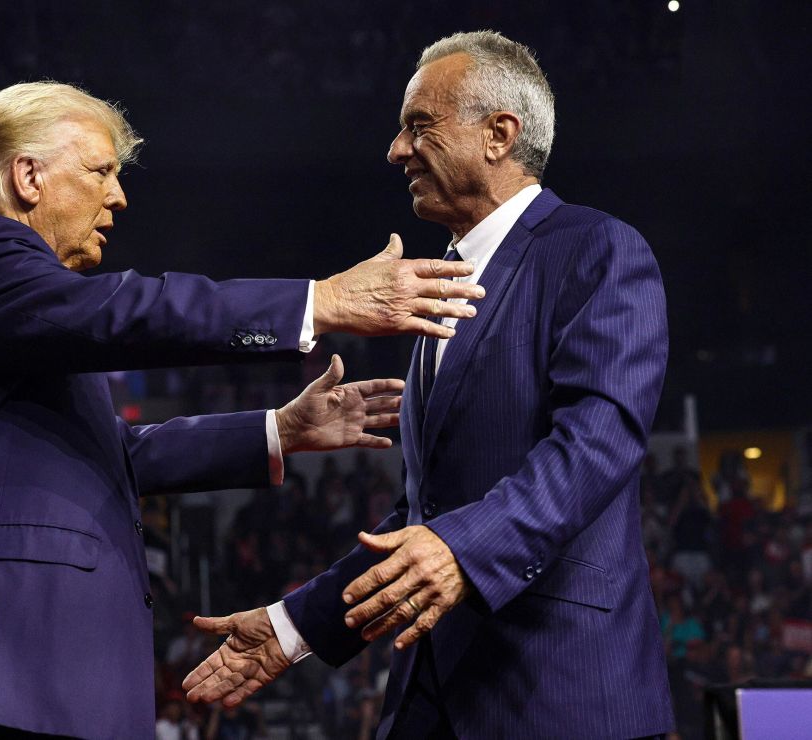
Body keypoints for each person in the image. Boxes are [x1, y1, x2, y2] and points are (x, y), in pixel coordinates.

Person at [0, 81, 484, 739]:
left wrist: (279, 431)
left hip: (22, 675)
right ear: (27, 176)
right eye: (100, 172)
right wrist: (317, 303)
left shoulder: (12, 312)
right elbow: (127, 312)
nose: (118, 196)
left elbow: (113, 454)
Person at [184, 30, 674, 738]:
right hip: (432, 693)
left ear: (499, 135)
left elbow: (598, 442)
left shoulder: (596, 250)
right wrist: (295, 627)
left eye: (419, 127)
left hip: (560, 692)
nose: (395, 150)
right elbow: (426, 514)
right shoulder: (445, 285)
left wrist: (461, 549)